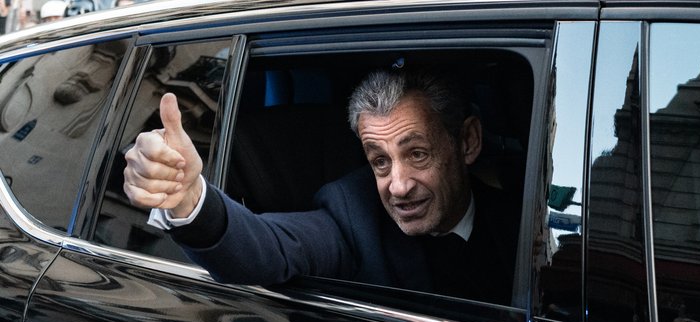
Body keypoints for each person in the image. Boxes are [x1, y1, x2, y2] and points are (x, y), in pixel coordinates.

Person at [124, 69, 519, 304]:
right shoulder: (353, 212)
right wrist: (191, 199)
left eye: (417, 154)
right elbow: (272, 247)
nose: (398, 186)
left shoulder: (522, 219)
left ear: (467, 142)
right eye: (380, 161)